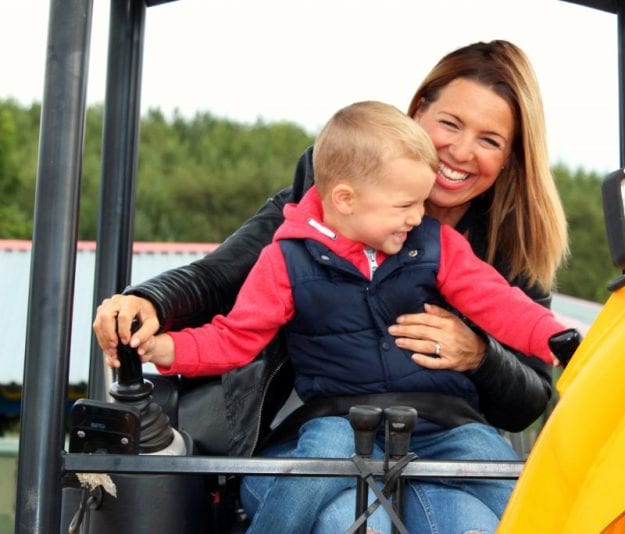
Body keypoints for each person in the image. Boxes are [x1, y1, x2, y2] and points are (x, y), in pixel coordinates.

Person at [93, 40, 571, 531]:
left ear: (511, 156)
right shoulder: (300, 235)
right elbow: (227, 297)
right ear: (418, 112)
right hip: (332, 420)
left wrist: (490, 353)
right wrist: (156, 316)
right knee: (349, 513)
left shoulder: (451, 246)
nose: (462, 150)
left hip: (440, 428)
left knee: (494, 496)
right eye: (450, 124)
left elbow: (510, 318)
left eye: (490, 140)